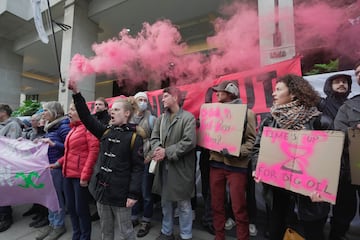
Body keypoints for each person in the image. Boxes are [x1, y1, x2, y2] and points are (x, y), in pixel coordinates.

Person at [252, 74, 330, 240]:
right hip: (278, 194)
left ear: (293, 93)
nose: (273, 93)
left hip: (308, 198)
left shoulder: (320, 121)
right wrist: (257, 167)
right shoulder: (269, 121)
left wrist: (323, 187)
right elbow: (258, 148)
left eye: (278, 89)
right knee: (276, 233)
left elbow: (330, 159)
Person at [69, 79, 144, 240]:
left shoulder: (134, 138)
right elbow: (87, 118)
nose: (112, 112)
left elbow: (138, 168)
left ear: (127, 113)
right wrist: (76, 93)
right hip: (102, 193)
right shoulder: (106, 132)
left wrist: (133, 194)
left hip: (122, 195)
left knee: (126, 232)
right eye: (112, 109)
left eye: (116, 110)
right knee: (106, 232)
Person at [209, 80, 256, 240]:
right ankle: (219, 236)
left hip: (237, 166)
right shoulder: (213, 112)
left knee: (239, 207)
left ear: (230, 93)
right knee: (216, 205)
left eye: (220, 91)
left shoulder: (247, 113)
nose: (217, 94)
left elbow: (251, 142)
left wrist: (236, 151)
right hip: (216, 163)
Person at [150, 87, 197, 240]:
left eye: (165, 96)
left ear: (175, 97)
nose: (162, 99)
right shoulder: (160, 119)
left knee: (184, 204)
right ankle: (166, 232)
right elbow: (154, 138)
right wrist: (157, 149)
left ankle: (186, 235)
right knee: (165, 202)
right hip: (164, 168)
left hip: (181, 169)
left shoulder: (188, 118)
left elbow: (189, 142)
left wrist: (166, 152)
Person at [49, 102, 100, 240]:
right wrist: (58, 163)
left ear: (82, 112)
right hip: (67, 174)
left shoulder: (89, 128)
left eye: (72, 109)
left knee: (81, 209)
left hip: (79, 177)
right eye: (69, 109)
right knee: (71, 208)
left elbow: (93, 152)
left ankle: (85, 237)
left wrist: (85, 175)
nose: (69, 112)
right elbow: (69, 153)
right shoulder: (73, 129)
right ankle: (76, 235)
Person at [332, 61, 360, 240]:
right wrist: (355, 132)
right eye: (358, 72)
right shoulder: (349, 107)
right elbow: (338, 135)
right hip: (352, 168)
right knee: (343, 213)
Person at [36, 101, 71, 240]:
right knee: (49, 197)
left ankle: (59, 225)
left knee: (56, 198)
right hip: (48, 166)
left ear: (54, 112)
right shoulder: (50, 127)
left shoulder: (63, 126)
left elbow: (70, 148)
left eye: (45, 110)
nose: (43, 113)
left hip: (57, 167)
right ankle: (52, 223)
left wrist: (53, 144)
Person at [130, 92, 157, 238]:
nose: (143, 102)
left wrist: (150, 155)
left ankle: (146, 220)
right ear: (134, 101)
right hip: (131, 161)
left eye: (145, 100)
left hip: (145, 160)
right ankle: (134, 217)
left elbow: (156, 139)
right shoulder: (129, 117)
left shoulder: (152, 119)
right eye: (140, 99)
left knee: (146, 193)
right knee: (133, 190)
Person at [22, 112, 49, 229]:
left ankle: (44, 216)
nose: (30, 122)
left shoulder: (45, 133)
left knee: (42, 192)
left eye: (33, 120)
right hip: (33, 165)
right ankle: (38, 212)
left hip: (42, 167)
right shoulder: (33, 133)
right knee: (36, 190)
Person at [0, 104, 23, 232]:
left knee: (3, 191)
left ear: (3, 112)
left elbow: (12, 145)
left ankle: (6, 217)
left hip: (6, 164)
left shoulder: (13, 125)